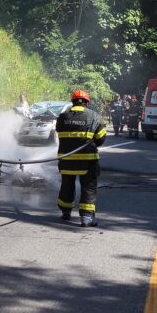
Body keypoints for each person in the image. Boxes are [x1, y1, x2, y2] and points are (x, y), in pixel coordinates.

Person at [55, 88, 107, 227]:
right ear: (86, 103)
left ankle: (66, 213)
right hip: (87, 160)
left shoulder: (63, 116)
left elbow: (59, 132)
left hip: (66, 159)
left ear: (72, 101)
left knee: (67, 185)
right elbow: (101, 139)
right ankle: (87, 218)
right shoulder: (94, 116)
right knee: (88, 188)